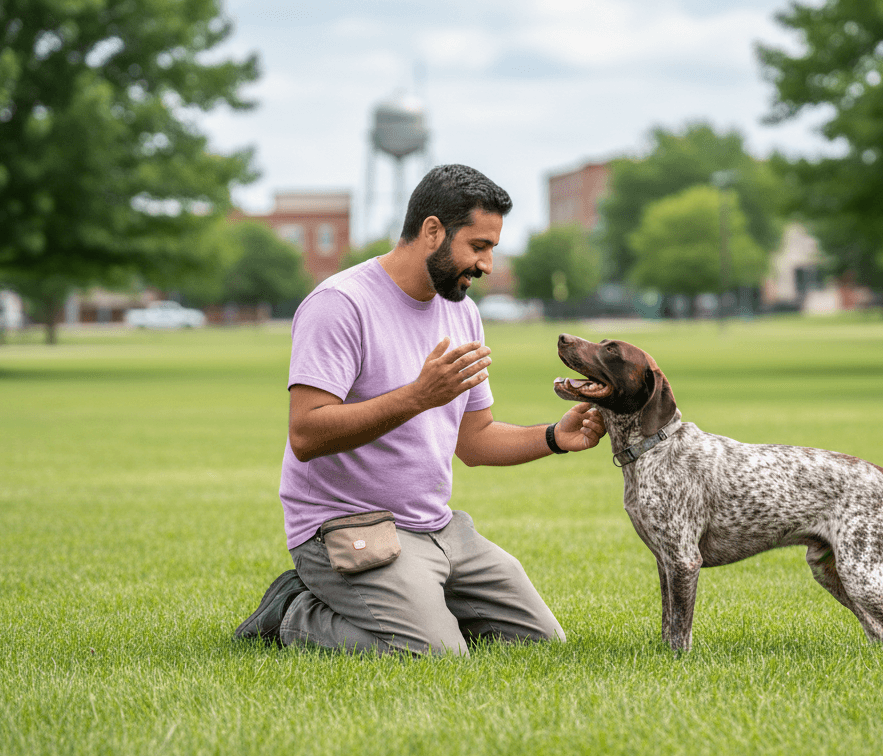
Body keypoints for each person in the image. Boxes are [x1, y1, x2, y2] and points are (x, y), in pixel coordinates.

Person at [233, 164, 605, 656]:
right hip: (349, 526)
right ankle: (294, 612)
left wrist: (555, 436)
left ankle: (420, 603)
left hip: (437, 527)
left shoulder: (463, 311)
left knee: (540, 642)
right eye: (478, 246)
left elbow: (474, 441)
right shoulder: (340, 304)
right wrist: (418, 396)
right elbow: (306, 433)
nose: (488, 264)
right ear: (432, 231)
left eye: (492, 247)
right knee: (436, 655)